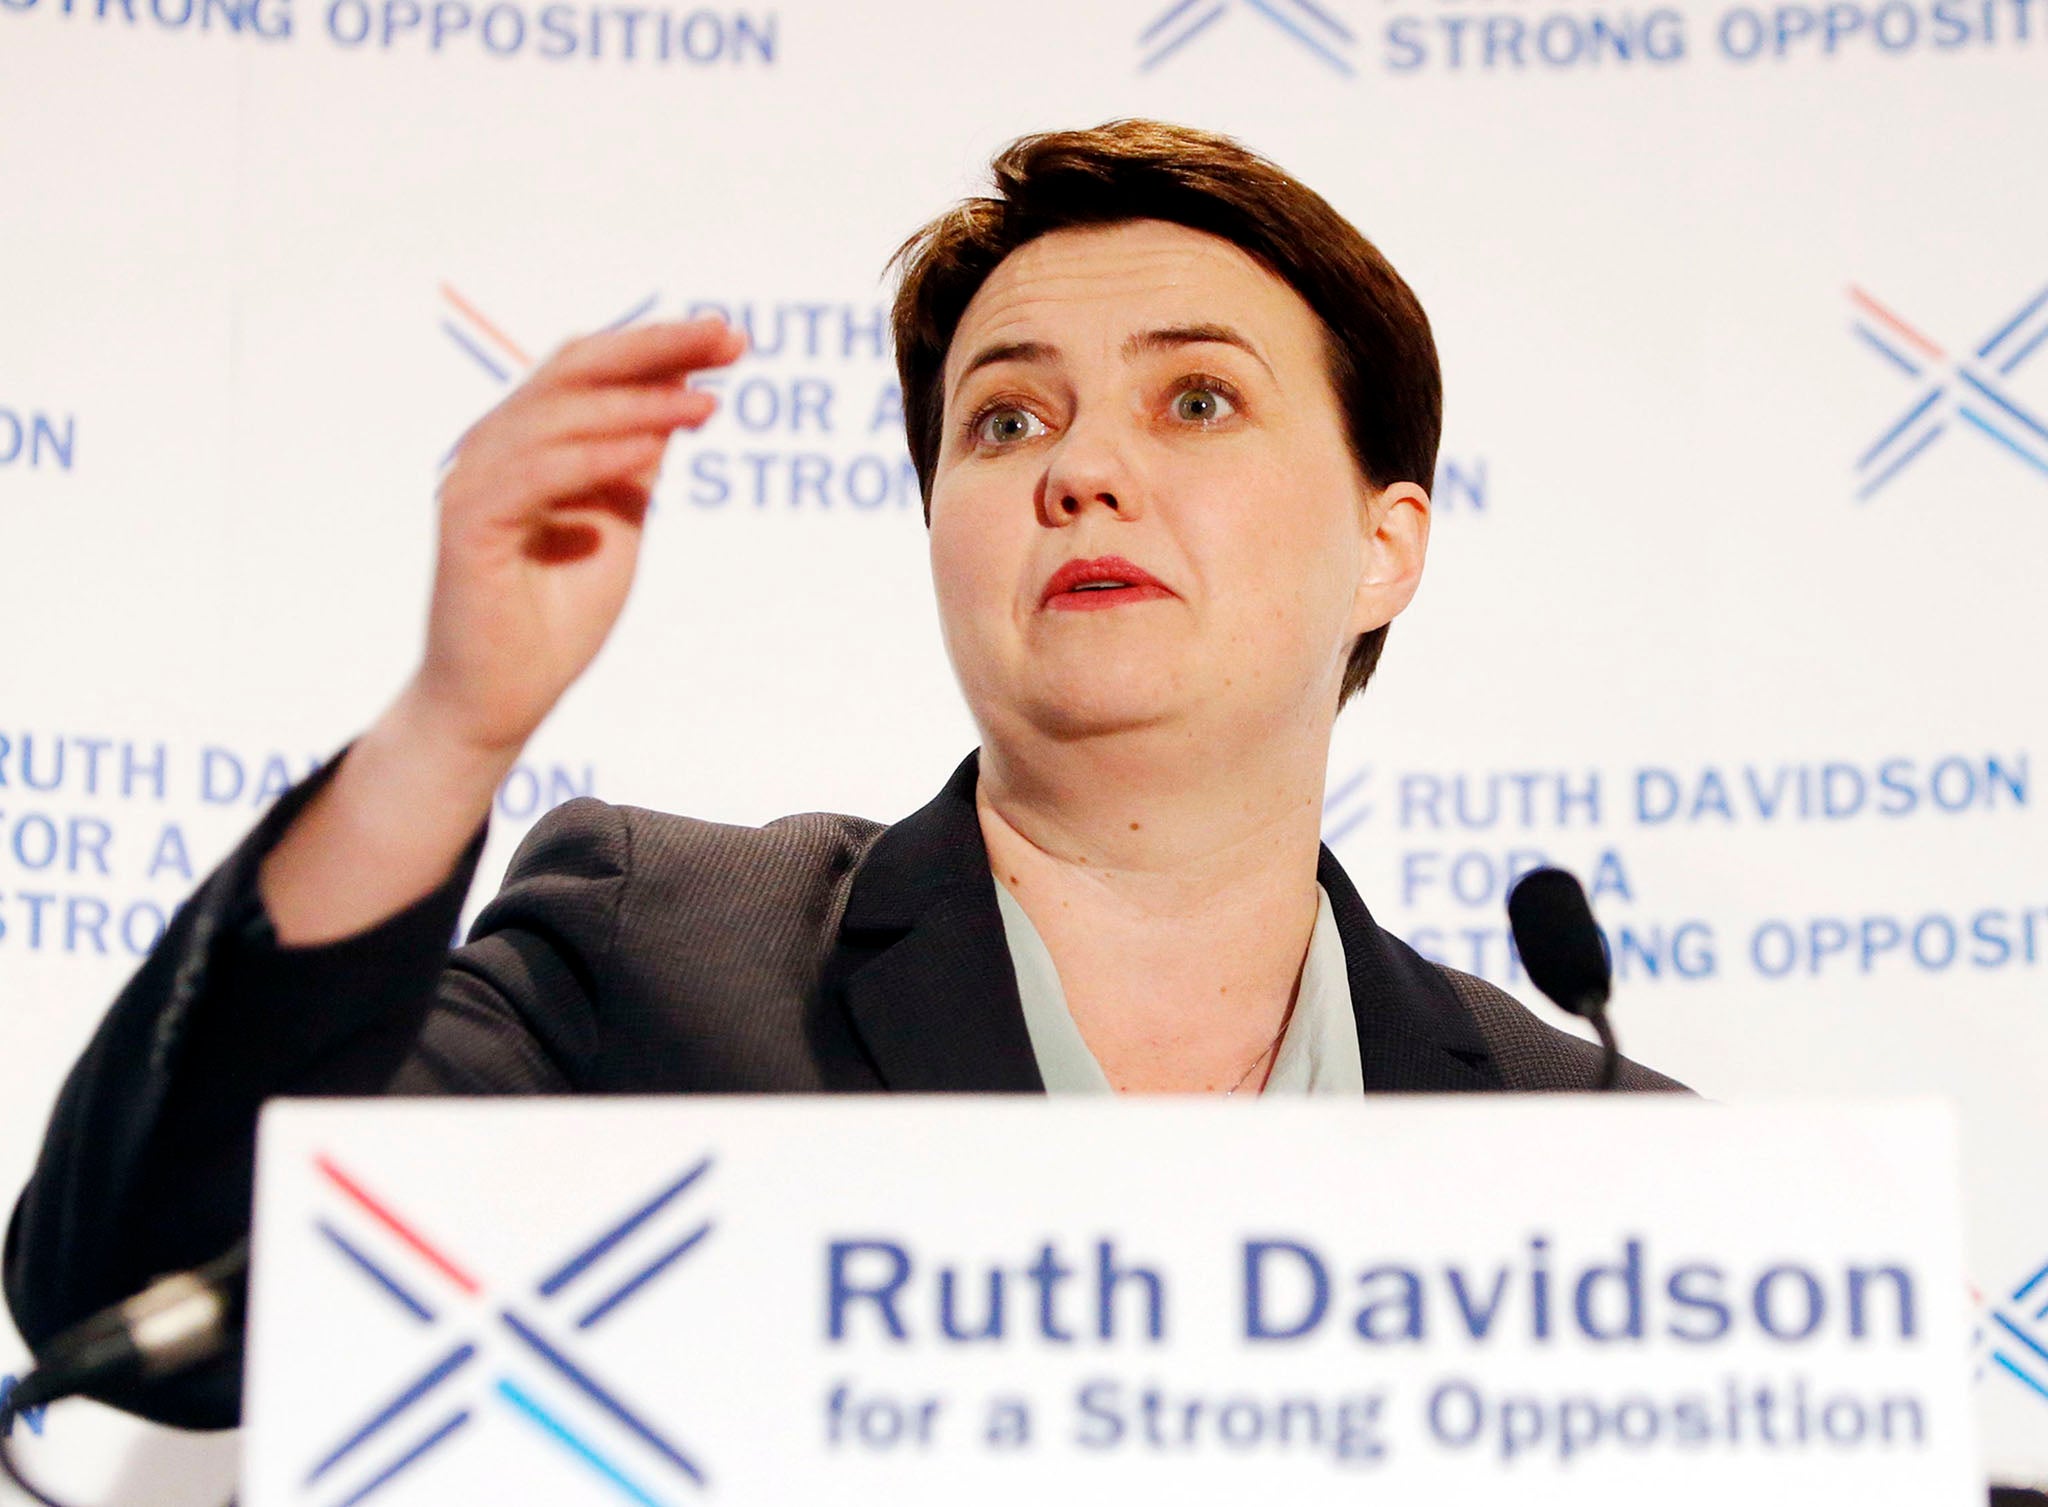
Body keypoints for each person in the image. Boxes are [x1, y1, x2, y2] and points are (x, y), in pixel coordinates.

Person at [4, 119, 1683, 1429]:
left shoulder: (1608, 1157)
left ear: (1389, 545)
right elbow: (149, 1298)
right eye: (1006, 423)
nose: (1085, 470)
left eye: (1195, 401)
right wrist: (450, 727)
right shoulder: (655, 954)